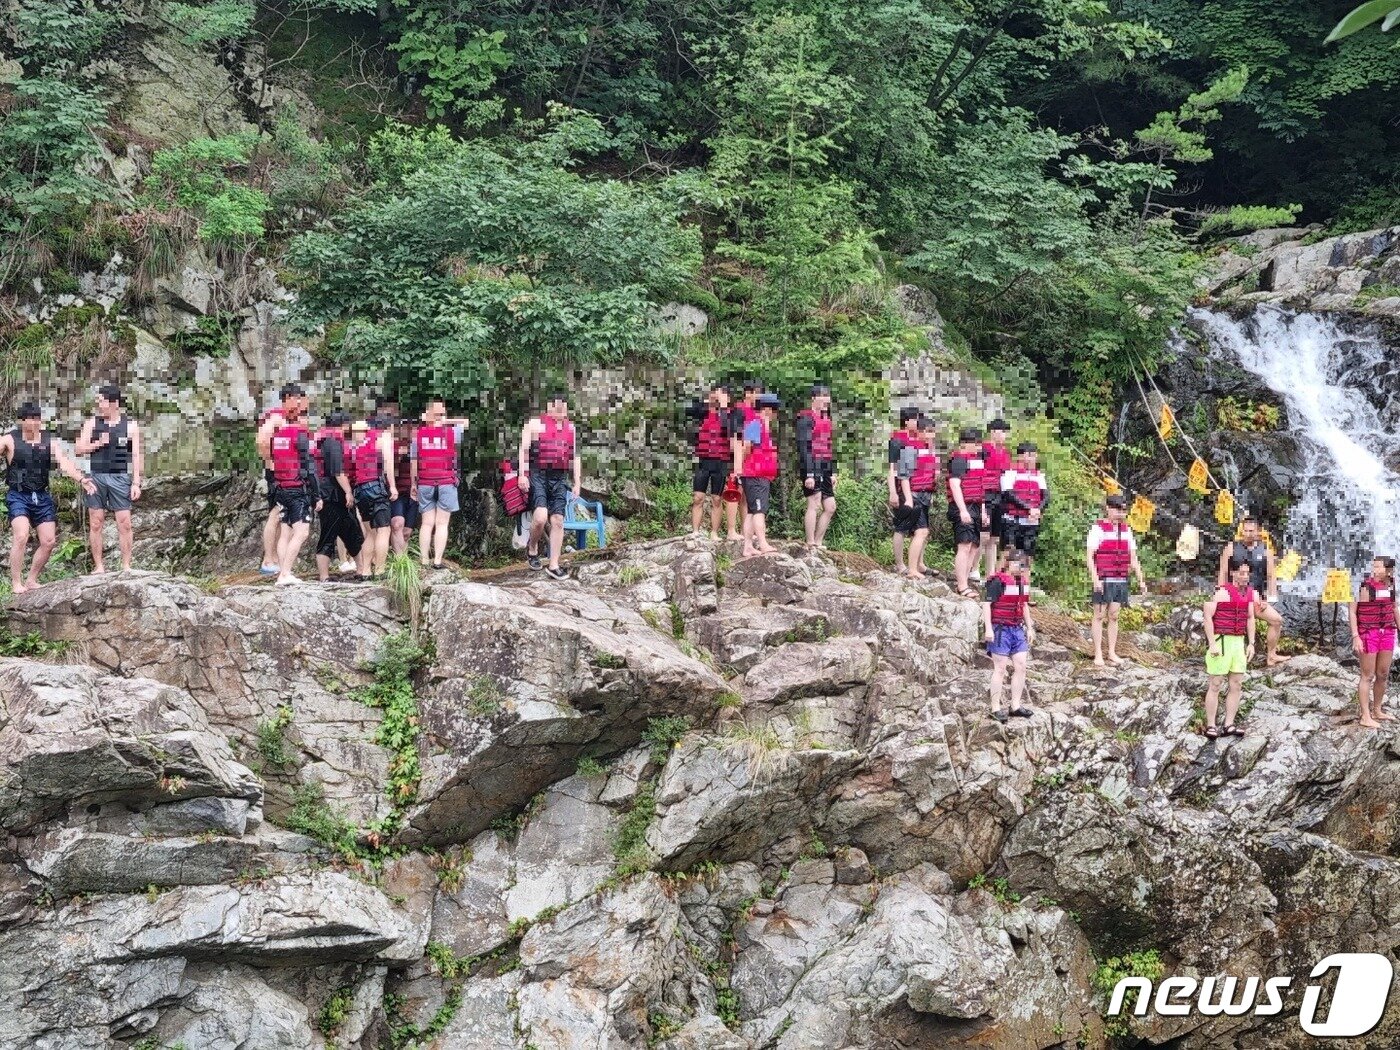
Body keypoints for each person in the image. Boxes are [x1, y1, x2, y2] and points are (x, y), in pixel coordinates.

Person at [3, 403, 96, 593]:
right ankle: (16, 583)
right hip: (18, 495)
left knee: (48, 541)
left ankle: (31, 580)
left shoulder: (49, 441)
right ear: (22, 421)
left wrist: (81, 479)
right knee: (21, 535)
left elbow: (65, 463)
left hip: (41, 495)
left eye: (38, 419)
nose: (35, 423)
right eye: (31, 419)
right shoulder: (10, 440)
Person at [75, 384, 142, 574]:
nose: (99, 405)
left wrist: (136, 482)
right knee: (96, 522)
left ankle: (127, 566)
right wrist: (97, 443)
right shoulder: (92, 423)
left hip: (120, 476)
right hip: (95, 476)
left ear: (114, 403)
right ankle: (99, 567)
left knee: (124, 522)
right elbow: (78, 450)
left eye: (102, 401)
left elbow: (136, 455)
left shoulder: (130, 425)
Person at [519, 392, 581, 581]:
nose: (560, 410)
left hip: (559, 477)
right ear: (549, 407)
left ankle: (554, 564)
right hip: (539, 474)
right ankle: (532, 548)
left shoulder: (570, 428)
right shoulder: (535, 424)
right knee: (540, 518)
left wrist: (577, 482)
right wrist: (522, 474)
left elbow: (575, 456)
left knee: (558, 521)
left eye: (563, 407)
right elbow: (523, 449)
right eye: (556, 406)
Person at [1086, 494, 1149, 666]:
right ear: (1108, 508)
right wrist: (1095, 579)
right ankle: (1098, 653)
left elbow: (1133, 557)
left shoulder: (1126, 530)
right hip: (1103, 577)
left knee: (1114, 615)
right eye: (1116, 509)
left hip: (1120, 577)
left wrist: (1141, 580)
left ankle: (1111, 652)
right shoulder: (1098, 529)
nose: (1120, 513)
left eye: (1123, 510)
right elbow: (1090, 557)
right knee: (1099, 615)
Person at [1219, 518, 1290, 667]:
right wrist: (1220, 595)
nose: (1248, 534)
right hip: (1235, 596)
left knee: (1276, 620)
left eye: (1251, 531)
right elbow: (1223, 573)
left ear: (1258, 532)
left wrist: (1269, 599)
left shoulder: (1265, 551)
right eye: (1245, 530)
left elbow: (1271, 576)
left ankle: (1271, 655)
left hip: (1255, 598)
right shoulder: (1231, 548)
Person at [268, 394, 321, 585]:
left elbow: (273, 461)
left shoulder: (277, 435)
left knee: (286, 531)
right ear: (299, 417)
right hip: (297, 489)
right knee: (302, 532)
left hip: (281, 488)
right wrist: (317, 496)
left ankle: (283, 572)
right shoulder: (300, 436)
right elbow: (309, 467)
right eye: (305, 416)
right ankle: (285, 574)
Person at [1202, 556, 1257, 739]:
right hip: (1222, 640)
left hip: (1238, 642)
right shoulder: (1221, 592)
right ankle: (1211, 724)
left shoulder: (1249, 594)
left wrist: (1251, 643)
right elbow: (1208, 616)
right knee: (1216, 683)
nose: (1245, 577)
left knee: (1236, 683)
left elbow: (1250, 618)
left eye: (1247, 573)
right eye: (1241, 573)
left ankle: (1229, 724)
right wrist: (1212, 643)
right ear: (1233, 573)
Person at [411, 398, 468, 570]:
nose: (441, 417)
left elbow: (414, 461)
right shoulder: (452, 432)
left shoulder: (418, 435)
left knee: (427, 523)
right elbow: (466, 422)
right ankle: (437, 560)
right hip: (446, 482)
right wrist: (445, 421)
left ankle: (424, 560)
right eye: (439, 414)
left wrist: (414, 484)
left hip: (425, 483)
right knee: (442, 523)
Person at [255, 385, 305, 574]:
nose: (299, 402)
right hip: (277, 473)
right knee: (276, 513)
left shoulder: (291, 419)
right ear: (287, 398)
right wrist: (271, 462)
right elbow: (261, 441)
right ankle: (268, 560)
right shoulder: (276, 417)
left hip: (290, 473)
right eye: (296, 398)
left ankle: (277, 558)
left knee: (283, 515)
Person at [983, 547, 1035, 723]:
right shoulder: (998, 581)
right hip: (1000, 628)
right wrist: (988, 628)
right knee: (1000, 668)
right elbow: (986, 605)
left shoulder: (1022, 583)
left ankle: (1015, 705)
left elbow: (1024, 606)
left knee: (1021, 665)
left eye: (1023, 565)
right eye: (1016, 563)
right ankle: (995, 708)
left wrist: (1030, 627)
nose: (1019, 567)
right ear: (1008, 563)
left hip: (1016, 629)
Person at [311, 410, 364, 582]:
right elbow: (337, 471)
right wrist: (348, 491)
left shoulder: (322, 440)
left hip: (332, 496)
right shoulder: (332, 442)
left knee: (352, 532)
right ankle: (324, 577)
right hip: (331, 496)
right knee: (328, 535)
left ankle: (362, 571)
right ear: (344, 425)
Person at [1350, 556, 1398, 729]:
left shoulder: (1391, 585)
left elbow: (1394, 608)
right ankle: (1365, 715)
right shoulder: (1364, 586)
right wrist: (1356, 635)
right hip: (1368, 633)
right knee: (1367, 675)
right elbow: (1353, 611)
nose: (1375, 570)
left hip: (1387, 632)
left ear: (1388, 570)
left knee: (1383, 673)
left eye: (1378, 567)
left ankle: (1377, 710)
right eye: (1374, 566)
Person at [347, 418, 396, 580]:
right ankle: (380, 570)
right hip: (376, 488)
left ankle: (366, 570)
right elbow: (388, 464)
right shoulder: (381, 438)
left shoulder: (354, 446)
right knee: (383, 530)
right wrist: (393, 486)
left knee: (370, 533)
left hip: (360, 491)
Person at [737, 392, 782, 560]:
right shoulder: (755, 424)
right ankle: (763, 543)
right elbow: (746, 446)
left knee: (751, 511)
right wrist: (743, 467)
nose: (775, 414)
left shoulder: (761, 426)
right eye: (774, 410)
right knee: (759, 510)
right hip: (755, 474)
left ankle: (748, 546)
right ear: (768, 409)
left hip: (758, 474)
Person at [947, 427, 989, 598]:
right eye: (976, 443)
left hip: (977, 506)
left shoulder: (977, 460)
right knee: (964, 545)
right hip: (963, 506)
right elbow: (955, 485)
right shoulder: (958, 460)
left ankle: (965, 580)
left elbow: (981, 487)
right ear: (966, 443)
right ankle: (962, 585)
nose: (979, 446)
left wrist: (984, 510)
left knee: (973, 546)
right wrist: (963, 510)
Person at [689, 382, 733, 539]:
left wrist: (722, 407)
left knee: (716, 499)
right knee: (698, 497)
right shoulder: (704, 411)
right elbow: (690, 410)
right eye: (716, 392)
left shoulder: (729, 414)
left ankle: (714, 532)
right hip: (704, 460)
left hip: (720, 462)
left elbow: (728, 429)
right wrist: (707, 400)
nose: (717, 395)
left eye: (721, 393)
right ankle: (695, 531)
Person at [999, 442, 1048, 585]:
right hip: (1012, 520)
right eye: (1029, 456)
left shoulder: (1038, 475)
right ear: (1020, 456)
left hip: (1031, 522)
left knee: (1028, 556)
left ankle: (1025, 590)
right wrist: (1029, 509)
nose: (1032, 459)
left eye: (1033, 456)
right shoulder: (1010, 472)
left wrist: (1038, 509)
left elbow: (1045, 496)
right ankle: (999, 583)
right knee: (1008, 552)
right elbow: (1008, 495)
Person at [899, 415, 940, 581]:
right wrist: (908, 498)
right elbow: (903, 476)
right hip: (915, 494)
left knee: (922, 532)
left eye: (933, 432)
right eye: (928, 432)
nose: (931, 435)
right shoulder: (911, 449)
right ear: (920, 432)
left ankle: (917, 566)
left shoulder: (930, 450)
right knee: (921, 531)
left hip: (926, 495)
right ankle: (912, 569)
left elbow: (934, 473)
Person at [797, 385, 837, 548]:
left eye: (828, 396)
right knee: (814, 502)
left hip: (825, 464)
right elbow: (803, 446)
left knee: (830, 506)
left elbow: (829, 445)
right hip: (811, 464)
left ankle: (819, 541)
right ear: (814, 398)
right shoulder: (805, 418)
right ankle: (810, 542)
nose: (826, 399)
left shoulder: (826, 419)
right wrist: (809, 474)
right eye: (823, 396)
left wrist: (833, 471)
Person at [888, 406, 924, 576]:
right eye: (914, 419)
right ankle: (900, 564)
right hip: (900, 487)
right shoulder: (897, 440)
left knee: (917, 528)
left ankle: (917, 563)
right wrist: (892, 492)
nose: (917, 422)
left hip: (913, 486)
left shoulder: (916, 439)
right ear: (907, 420)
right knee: (901, 527)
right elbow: (892, 468)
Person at [729, 381, 762, 544]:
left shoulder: (755, 414)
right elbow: (735, 438)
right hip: (737, 456)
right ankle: (731, 530)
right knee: (735, 492)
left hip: (750, 459)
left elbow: (753, 441)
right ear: (748, 393)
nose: (756, 396)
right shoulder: (740, 410)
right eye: (755, 393)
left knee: (745, 496)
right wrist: (737, 464)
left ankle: (745, 529)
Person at [979, 419, 1013, 581]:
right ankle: (973, 569)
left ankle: (990, 573)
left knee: (994, 538)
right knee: (982, 535)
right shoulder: (983, 450)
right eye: (1002, 432)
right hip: (986, 493)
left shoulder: (1005, 453)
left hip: (1000, 496)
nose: (1004, 436)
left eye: (1006, 432)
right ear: (993, 432)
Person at [390, 416, 419, 556]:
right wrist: (397, 457)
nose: (409, 430)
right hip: (398, 491)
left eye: (412, 426)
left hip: (415, 493)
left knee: (407, 532)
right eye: (405, 426)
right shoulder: (394, 446)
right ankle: (399, 560)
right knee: (397, 524)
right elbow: (387, 471)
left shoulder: (421, 445)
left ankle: (404, 563)